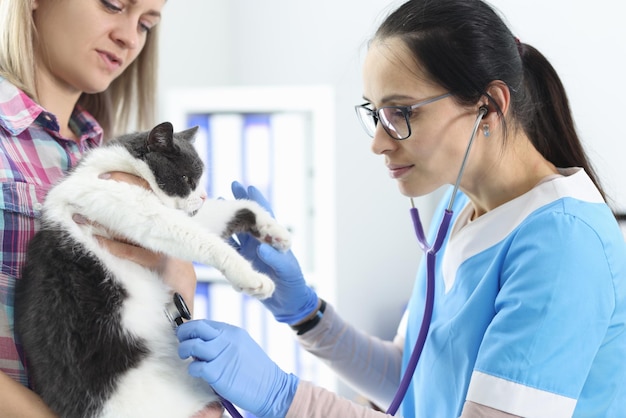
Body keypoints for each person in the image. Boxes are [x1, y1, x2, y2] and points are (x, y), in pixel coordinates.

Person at [175, 0, 626, 417]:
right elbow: (408, 380)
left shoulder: (564, 243)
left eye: (401, 113)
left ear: (489, 107)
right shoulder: (459, 208)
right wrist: (304, 312)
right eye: (376, 114)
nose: (378, 142)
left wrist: (282, 397)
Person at [0, 1, 208, 416]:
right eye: (113, 4)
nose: (130, 38)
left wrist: (175, 281)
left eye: (146, 24)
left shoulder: (106, 162)